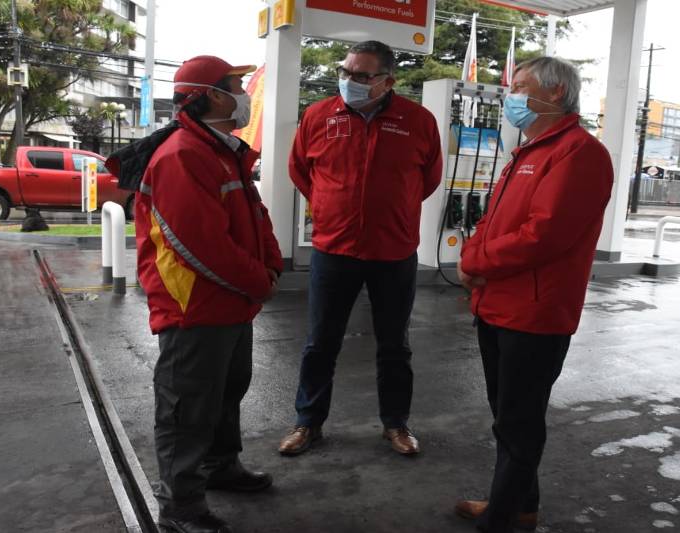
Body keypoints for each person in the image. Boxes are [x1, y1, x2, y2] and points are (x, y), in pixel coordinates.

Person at [108, 55, 284, 533]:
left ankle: (220, 467)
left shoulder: (221, 149)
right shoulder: (184, 154)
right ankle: (181, 508)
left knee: (227, 392)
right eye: (236, 85)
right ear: (209, 96)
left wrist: (271, 264)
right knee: (187, 410)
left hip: (230, 304)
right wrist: (258, 279)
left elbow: (255, 216)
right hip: (195, 308)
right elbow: (199, 245)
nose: (244, 93)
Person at [454, 56, 614, 533]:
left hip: (535, 312)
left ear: (556, 94)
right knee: (507, 416)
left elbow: (544, 235)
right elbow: (495, 220)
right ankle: (521, 505)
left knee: (519, 421)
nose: (511, 96)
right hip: (499, 304)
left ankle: (501, 520)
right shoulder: (529, 150)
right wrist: (473, 253)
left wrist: (474, 262)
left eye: (520, 87)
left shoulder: (579, 153)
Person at [280, 40, 442, 457]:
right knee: (320, 343)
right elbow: (300, 169)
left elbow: (429, 178)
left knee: (395, 345)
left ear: (388, 81)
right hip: (334, 250)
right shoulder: (319, 115)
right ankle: (307, 423)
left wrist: (392, 209)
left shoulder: (418, 120)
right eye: (346, 71)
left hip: (394, 252)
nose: (349, 81)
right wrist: (330, 207)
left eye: (361, 75)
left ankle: (396, 425)